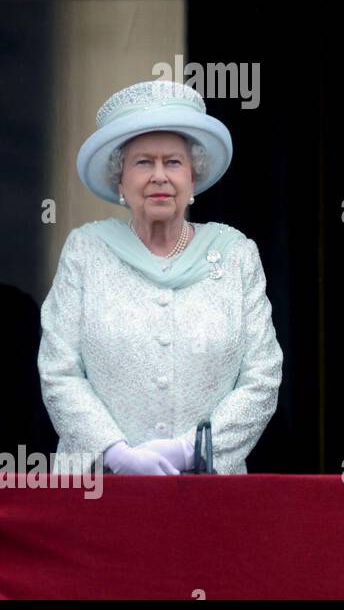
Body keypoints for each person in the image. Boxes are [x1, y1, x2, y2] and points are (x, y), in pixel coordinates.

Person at [39, 80, 282, 474]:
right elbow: (58, 369)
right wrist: (116, 454)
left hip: (204, 491)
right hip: (98, 488)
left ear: (193, 178)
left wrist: (191, 451)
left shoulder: (237, 254)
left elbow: (263, 376)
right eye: (142, 162)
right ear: (119, 180)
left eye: (173, 162)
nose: (159, 176)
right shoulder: (86, 251)